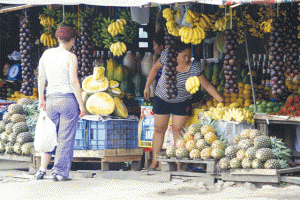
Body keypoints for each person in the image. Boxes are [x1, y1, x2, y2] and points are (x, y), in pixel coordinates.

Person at [144, 40, 224, 170]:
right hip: (162, 98)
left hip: (182, 101)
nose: (187, 59)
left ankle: (179, 163)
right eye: (184, 56)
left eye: (189, 55)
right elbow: (154, 69)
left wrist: (220, 99)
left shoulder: (194, 66)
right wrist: (147, 86)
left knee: (178, 131)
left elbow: (207, 85)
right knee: (159, 129)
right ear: (175, 54)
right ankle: (154, 162)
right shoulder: (166, 57)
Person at [35, 26, 86, 181]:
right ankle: (59, 173)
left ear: (58, 39)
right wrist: (81, 105)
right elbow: (74, 82)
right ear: (71, 40)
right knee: (65, 138)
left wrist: (41, 99)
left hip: (50, 99)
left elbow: (41, 78)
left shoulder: (46, 54)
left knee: (49, 134)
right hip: (68, 100)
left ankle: (42, 169)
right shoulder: (70, 57)